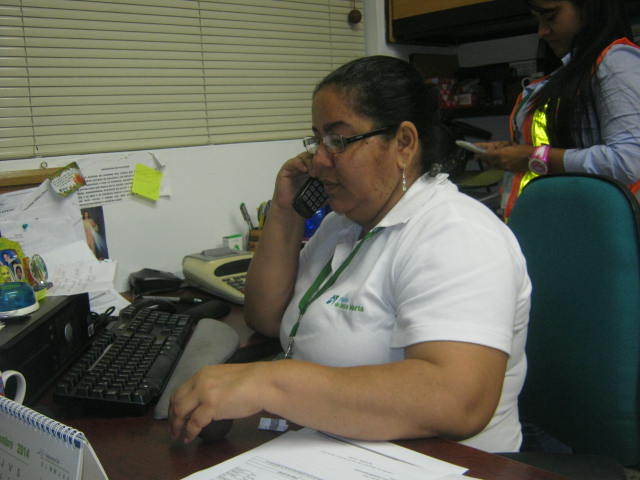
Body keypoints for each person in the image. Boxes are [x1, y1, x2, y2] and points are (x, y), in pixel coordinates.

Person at [169, 56, 532, 453]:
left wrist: (268, 384)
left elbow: (459, 403)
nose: (319, 160)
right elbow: (267, 318)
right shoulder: (342, 224)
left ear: (404, 143)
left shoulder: (458, 234)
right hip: (341, 446)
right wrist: (286, 211)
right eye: (317, 141)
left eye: (338, 141)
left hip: (446, 463)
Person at [477, 0, 640, 218]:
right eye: (538, 20)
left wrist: (531, 157)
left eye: (550, 16)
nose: (542, 31)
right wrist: (512, 152)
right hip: (564, 218)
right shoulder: (569, 73)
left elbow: (628, 161)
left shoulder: (616, 62)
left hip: (605, 224)